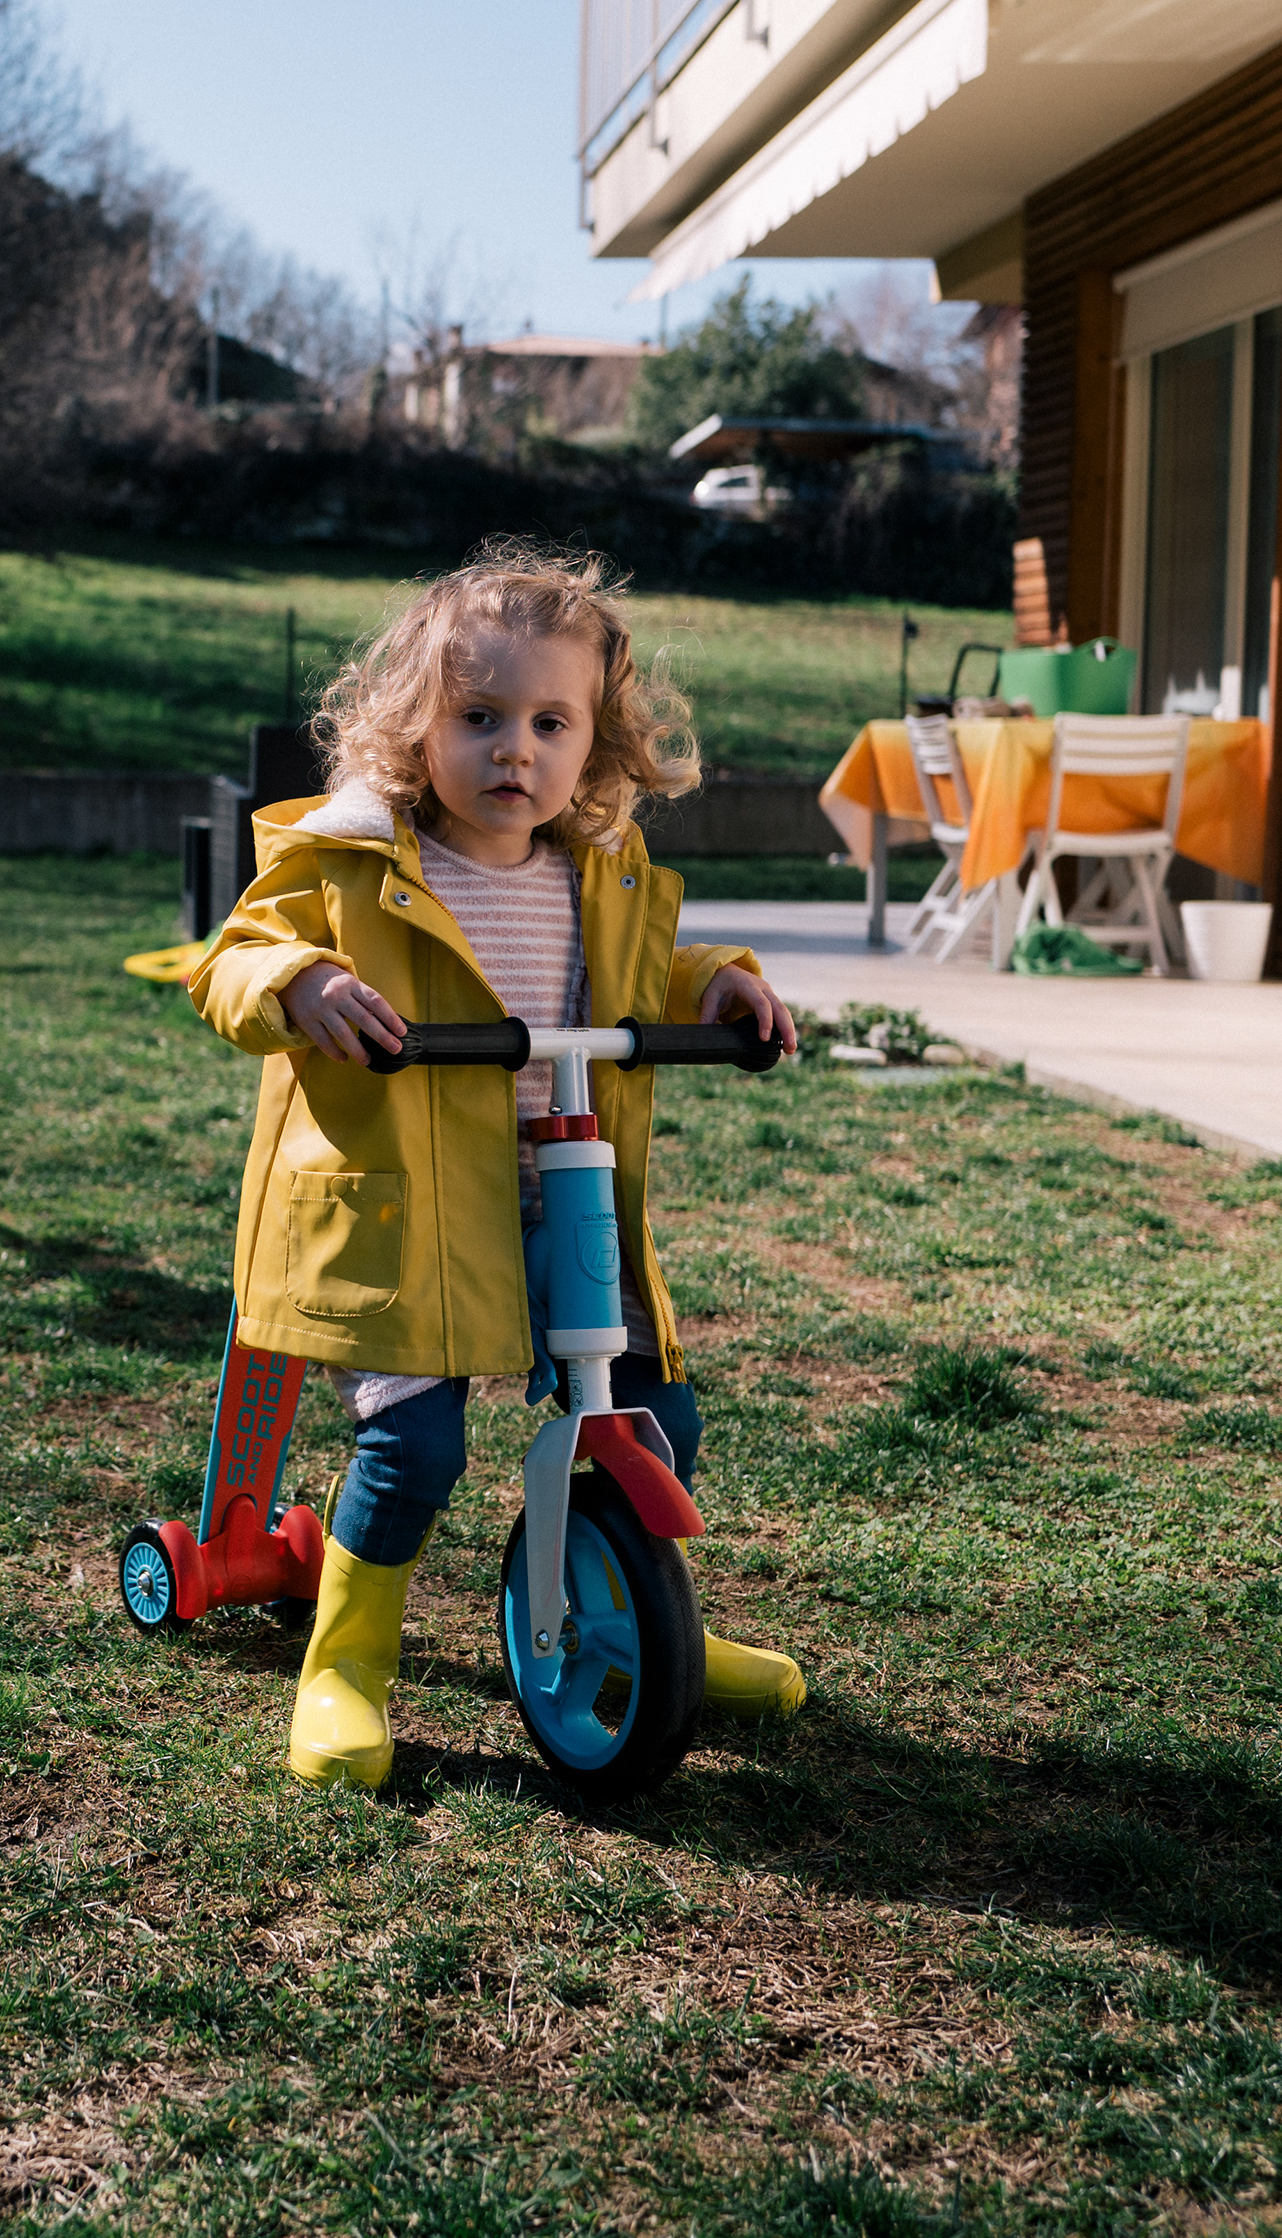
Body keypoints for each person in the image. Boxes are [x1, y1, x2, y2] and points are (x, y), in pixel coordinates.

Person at [185, 543, 805, 1789]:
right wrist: (301, 980)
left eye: (547, 721)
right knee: (417, 1450)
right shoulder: (356, 860)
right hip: (416, 1206)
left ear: (596, 741)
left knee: (648, 1407)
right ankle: (346, 1660)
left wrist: (720, 981)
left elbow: (650, 978)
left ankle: (646, 1609)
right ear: (416, 729)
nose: (512, 749)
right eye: (479, 718)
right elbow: (231, 957)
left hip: (560, 1193)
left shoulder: (603, 872)